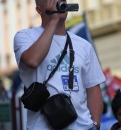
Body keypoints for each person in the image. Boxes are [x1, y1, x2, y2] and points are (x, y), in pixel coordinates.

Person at [13, 0, 106, 130]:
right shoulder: (25, 36)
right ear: (39, 10)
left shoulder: (84, 45)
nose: (58, 2)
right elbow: (32, 61)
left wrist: (95, 124)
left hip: (82, 126)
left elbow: (93, 88)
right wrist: (52, 21)